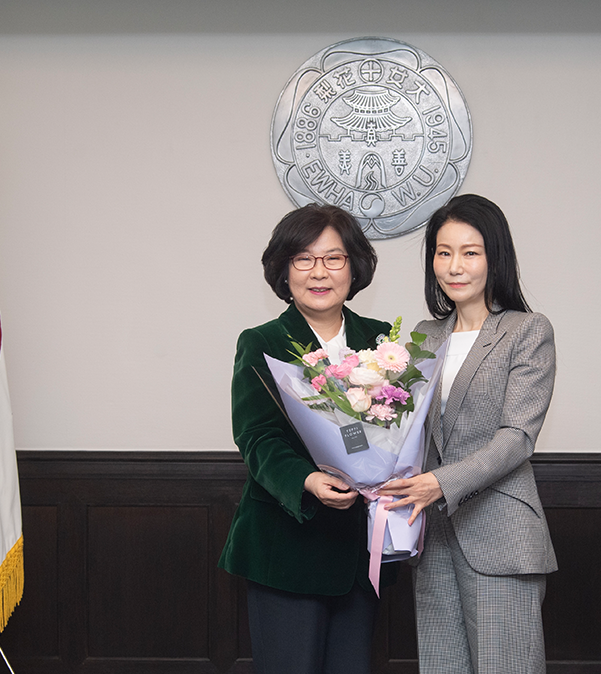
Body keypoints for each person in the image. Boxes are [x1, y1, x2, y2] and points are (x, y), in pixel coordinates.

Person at [380, 194, 557, 674]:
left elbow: (517, 437)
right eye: (443, 252)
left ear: (494, 257)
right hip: (431, 536)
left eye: (470, 252)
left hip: (501, 537)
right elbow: (402, 428)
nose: (454, 265)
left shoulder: (527, 331)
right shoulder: (423, 336)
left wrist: (440, 483)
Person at [218, 203, 393, 674]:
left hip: (360, 555)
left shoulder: (383, 344)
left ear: (353, 266)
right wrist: (308, 481)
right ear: (284, 269)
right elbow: (257, 437)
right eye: (304, 259)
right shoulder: (262, 341)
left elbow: (400, 433)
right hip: (285, 548)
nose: (320, 272)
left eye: (333, 258)